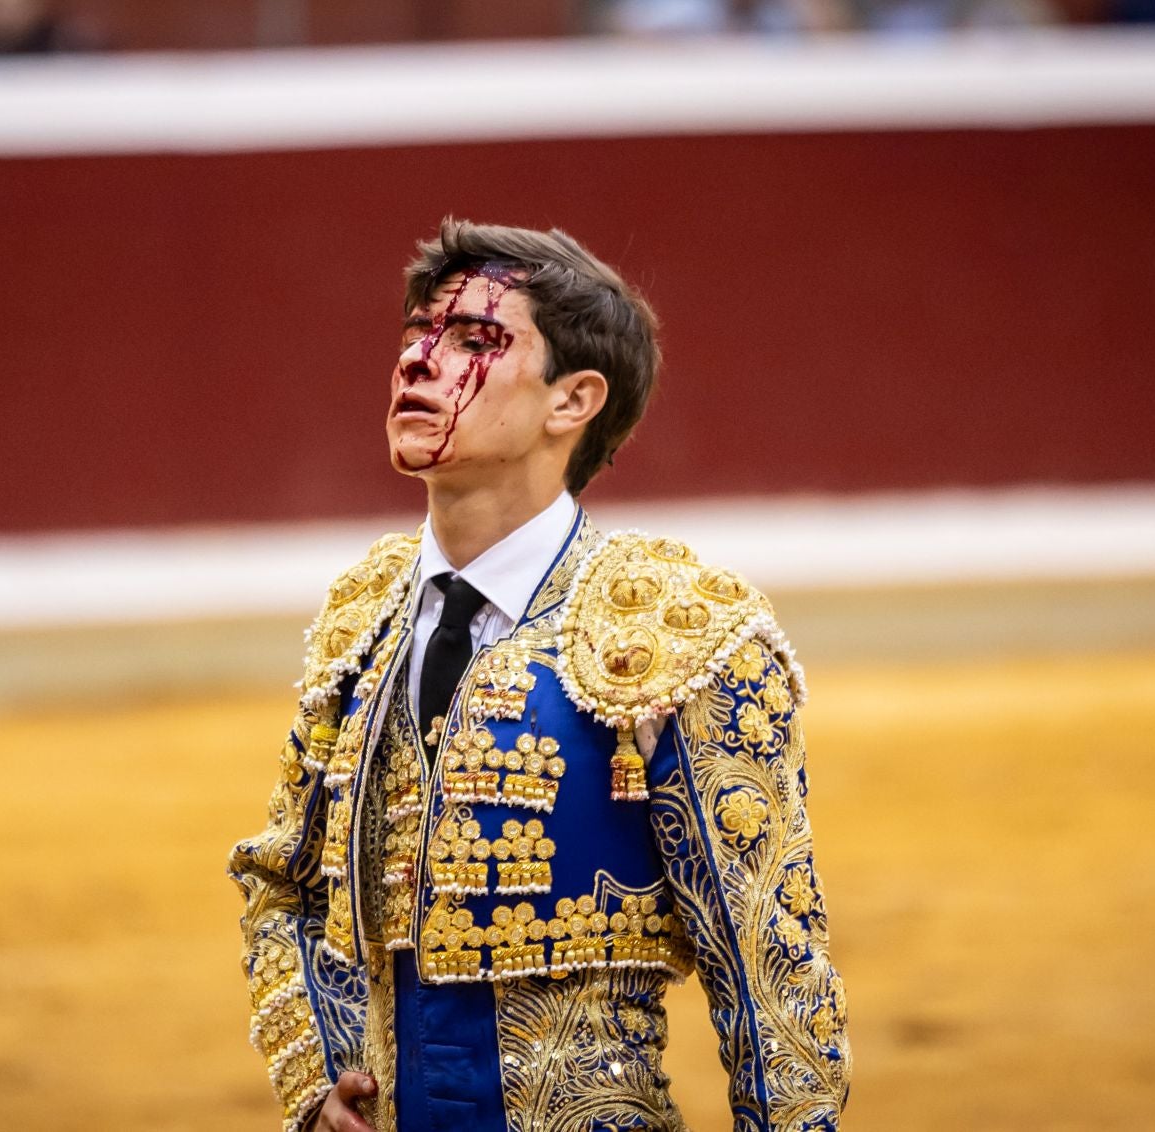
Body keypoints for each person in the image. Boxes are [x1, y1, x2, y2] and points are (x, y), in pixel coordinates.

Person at [228, 220, 850, 1132]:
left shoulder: (675, 633)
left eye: (475, 340)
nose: (418, 361)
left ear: (573, 401)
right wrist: (322, 1078)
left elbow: (771, 976)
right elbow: (284, 884)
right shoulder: (363, 619)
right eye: (417, 332)